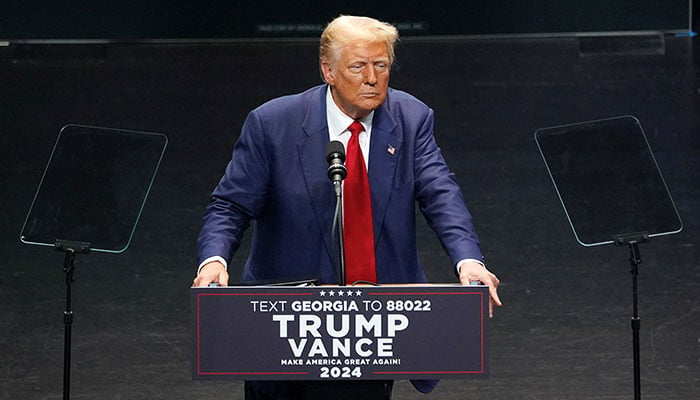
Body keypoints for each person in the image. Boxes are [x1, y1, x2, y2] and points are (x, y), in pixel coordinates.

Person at [193, 14, 501, 399]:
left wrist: (469, 260)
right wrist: (214, 262)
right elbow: (230, 206)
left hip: (370, 326)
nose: (372, 78)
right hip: (286, 325)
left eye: (381, 65)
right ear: (329, 71)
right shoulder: (273, 124)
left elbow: (441, 194)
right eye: (358, 67)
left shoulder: (411, 119)